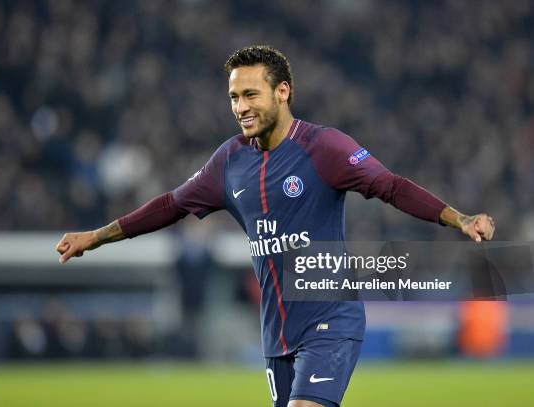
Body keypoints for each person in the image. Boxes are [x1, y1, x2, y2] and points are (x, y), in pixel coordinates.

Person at [55, 45, 495, 407]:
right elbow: (171, 204)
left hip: (331, 317)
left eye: (251, 94)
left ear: (282, 91)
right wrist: (95, 237)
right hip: (277, 332)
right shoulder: (228, 161)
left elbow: (390, 186)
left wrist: (459, 219)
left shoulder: (324, 147)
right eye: (234, 97)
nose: (241, 107)